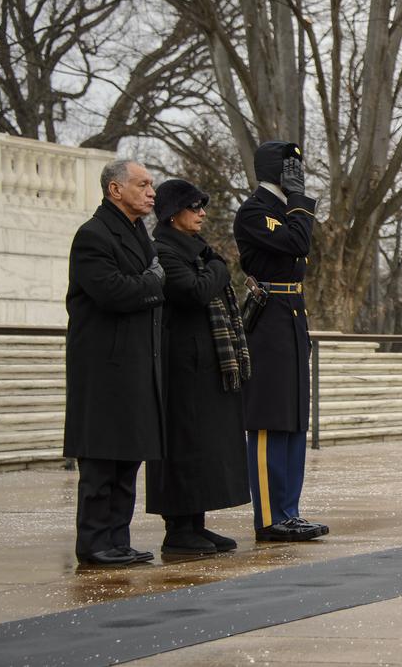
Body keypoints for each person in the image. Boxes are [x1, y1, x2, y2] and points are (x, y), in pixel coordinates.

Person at [63, 159, 165, 566]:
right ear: (115, 190)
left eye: (152, 184)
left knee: (128, 456)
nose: (151, 192)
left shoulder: (140, 234)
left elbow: (145, 283)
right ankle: (93, 542)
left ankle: (118, 539)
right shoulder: (93, 235)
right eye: (142, 184)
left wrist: (149, 284)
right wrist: (152, 284)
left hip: (137, 361)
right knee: (102, 459)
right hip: (104, 367)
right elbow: (111, 291)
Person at [147, 179, 252, 555]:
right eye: (195, 207)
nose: (202, 214)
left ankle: (196, 525)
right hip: (181, 364)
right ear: (174, 214)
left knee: (204, 446)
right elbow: (193, 292)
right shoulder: (162, 249)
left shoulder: (196, 250)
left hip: (203, 363)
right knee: (185, 445)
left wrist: (213, 266)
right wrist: (219, 268)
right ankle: (178, 529)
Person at [233, 140, 328, 542]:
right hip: (269, 318)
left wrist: (297, 204)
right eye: (290, 166)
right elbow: (297, 244)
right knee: (270, 421)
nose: (296, 172)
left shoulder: (286, 211)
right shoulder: (255, 211)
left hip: (292, 317)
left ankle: (290, 510)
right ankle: (270, 517)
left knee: (293, 420)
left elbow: (298, 248)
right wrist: (301, 200)